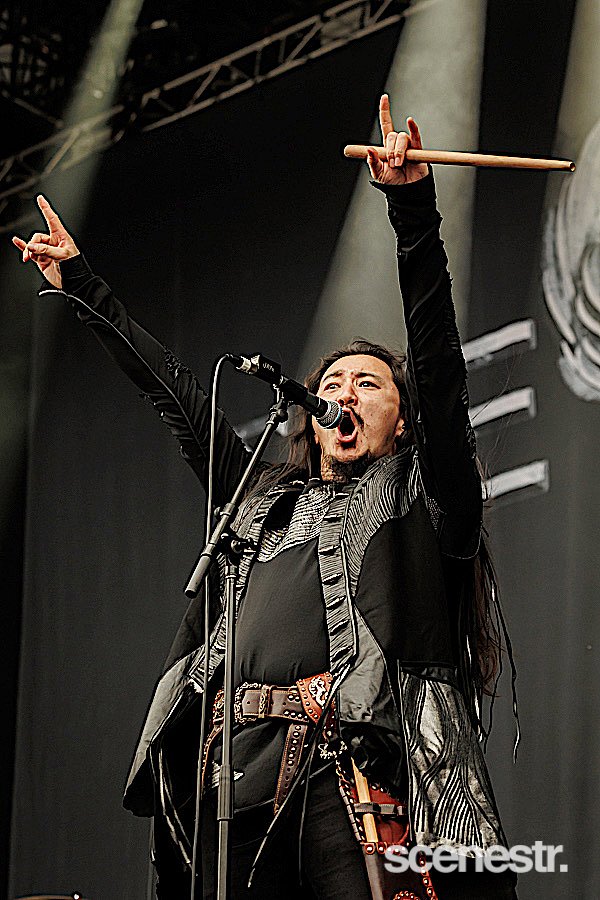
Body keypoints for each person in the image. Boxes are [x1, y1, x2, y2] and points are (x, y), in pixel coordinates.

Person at [13, 95, 518, 899]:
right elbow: (180, 399)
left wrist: (413, 214)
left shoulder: (420, 498)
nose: (343, 392)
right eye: (333, 382)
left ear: (402, 421)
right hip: (230, 784)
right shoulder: (260, 500)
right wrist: (83, 285)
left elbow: (440, 370)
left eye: (368, 384)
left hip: (346, 777)